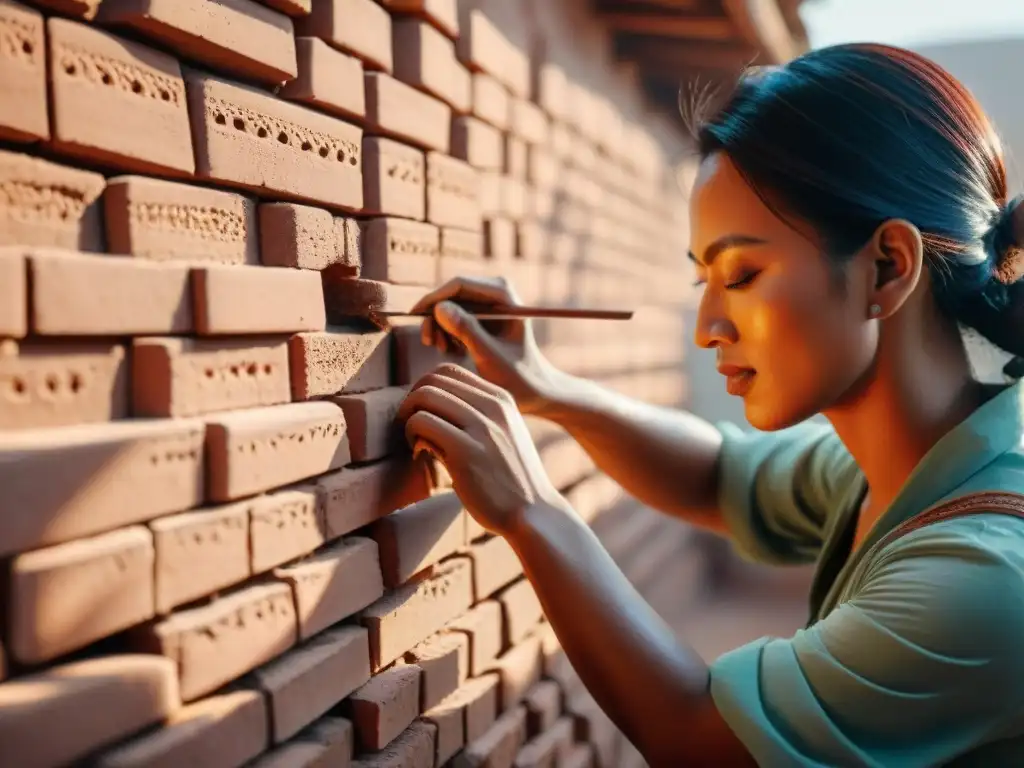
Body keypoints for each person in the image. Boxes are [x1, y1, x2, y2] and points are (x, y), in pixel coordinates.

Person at [396, 42, 1024, 767]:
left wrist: (532, 509)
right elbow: (717, 477)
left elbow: (699, 737)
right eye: (706, 281)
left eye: (743, 273)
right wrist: (543, 386)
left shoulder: (983, 582)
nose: (707, 328)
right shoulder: (905, 464)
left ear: (887, 266)